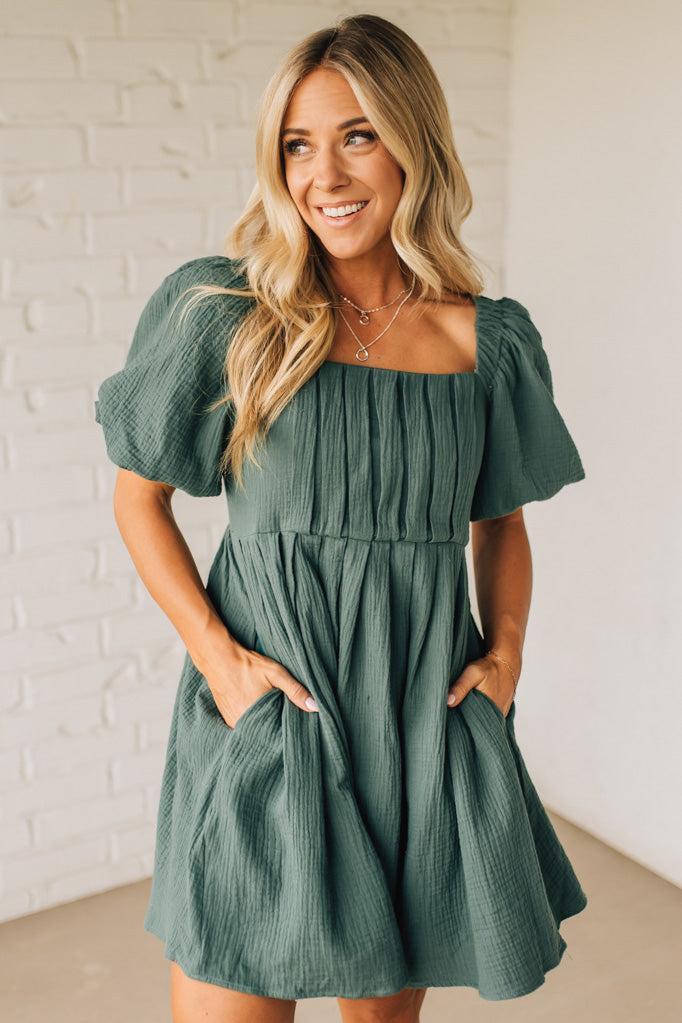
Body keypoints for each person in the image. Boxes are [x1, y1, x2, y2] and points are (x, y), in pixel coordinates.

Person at [94, 14, 588, 1023]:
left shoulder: (482, 343)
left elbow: (499, 522)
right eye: (297, 144)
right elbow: (137, 498)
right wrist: (223, 669)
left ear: (414, 142)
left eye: (356, 135)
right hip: (271, 714)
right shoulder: (223, 313)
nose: (324, 173)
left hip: (415, 723)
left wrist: (504, 659)